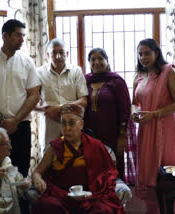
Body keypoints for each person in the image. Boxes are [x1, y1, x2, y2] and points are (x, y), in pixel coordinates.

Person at [0, 19, 41, 178]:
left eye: (23, 36)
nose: (22, 39)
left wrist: (15, 121)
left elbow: (34, 95)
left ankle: (21, 204)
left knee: (20, 171)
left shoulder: (27, 62)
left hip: (21, 127)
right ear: (5, 35)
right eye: (18, 35)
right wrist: (1, 119)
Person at [31, 104, 125, 214]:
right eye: (63, 123)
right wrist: (37, 179)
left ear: (81, 124)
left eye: (71, 123)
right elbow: (37, 171)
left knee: (104, 210)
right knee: (47, 206)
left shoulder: (95, 146)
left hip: (90, 194)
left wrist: (94, 191)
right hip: (60, 194)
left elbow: (108, 174)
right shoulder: (54, 147)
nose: (67, 128)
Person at [132, 38, 175, 213]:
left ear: (156, 53)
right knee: (150, 176)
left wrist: (154, 114)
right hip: (146, 129)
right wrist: (135, 113)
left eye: (147, 53)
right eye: (140, 54)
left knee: (166, 175)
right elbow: (134, 102)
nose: (143, 57)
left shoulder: (169, 71)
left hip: (167, 130)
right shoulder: (140, 76)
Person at [84, 48, 132, 179]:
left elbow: (125, 109)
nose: (97, 62)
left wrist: (122, 135)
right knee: (92, 168)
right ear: (89, 63)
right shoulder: (85, 80)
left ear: (107, 61)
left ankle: (115, 196)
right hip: (90, 134)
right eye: (93, 59)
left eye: (100, 58)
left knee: (112, 168)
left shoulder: (116, 81)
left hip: (112, 134)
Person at [36, 38, 88, 153]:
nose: (58, 56)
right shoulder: (38, 73)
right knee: (49, 156)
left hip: (73, 122)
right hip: (49, 123)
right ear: (48, 54)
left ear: (67, 54)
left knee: (74, 155)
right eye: (54, 53)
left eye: (61, 52)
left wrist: (60, 109)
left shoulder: (76, 71)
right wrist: (48, 111)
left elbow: (83, 101)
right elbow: (32, 103)